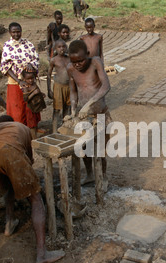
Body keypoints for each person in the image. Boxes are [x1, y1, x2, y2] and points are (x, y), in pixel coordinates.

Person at [0, 115, 65, 263]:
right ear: (10, 122)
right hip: (10, 152)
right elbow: (28, 161)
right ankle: (42, 254)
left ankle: (9, 224)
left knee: (8, 187)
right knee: (36, 199)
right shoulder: (20, 127)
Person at [67, 40, 111, 190]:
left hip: (100, 114)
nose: (78, 64)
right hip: (84, 117)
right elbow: (73, 91)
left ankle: (103, 177)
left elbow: (106, 85)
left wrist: (89, 103)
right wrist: (73, 111)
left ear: (87, 54)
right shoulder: (70, 69)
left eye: (81, 60)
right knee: (84, 149)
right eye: (74, 62)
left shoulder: (95, 62)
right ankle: (90, 174)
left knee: (100, 150)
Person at [0, 22, 43, 139]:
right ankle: (19, 134)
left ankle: (33, 133)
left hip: (29, 81)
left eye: (18, 31)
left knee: (31, 106)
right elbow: (5, 67)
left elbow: (36, 58)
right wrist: (19, 81)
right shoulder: (7, 46)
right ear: (10, 32)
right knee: (17, 108)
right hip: (15, 82)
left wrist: (30, 64)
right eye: (13, 32)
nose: (16, 34)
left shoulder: (28, 44)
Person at [47, 39, 71, 133]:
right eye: (59, 47)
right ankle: (54, 130)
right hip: (58, 86)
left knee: (67, 107)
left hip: (69, 86)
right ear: (55, 49)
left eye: (63, 46)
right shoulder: (54, 60)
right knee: (57, 109)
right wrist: (49, 89)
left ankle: (64, 127)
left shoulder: (69, 59)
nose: (62, 49)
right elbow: (49, 74)